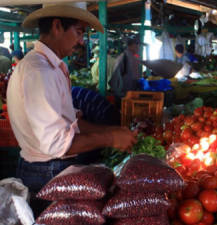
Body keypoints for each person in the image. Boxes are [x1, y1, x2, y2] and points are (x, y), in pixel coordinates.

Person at [6, 2, 138, 216]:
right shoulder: (40, 72)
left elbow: (68, 124)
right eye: (79, 32)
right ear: (57, 26)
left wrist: (109, 132)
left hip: (49, 167)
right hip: (46, 171)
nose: (81, 41)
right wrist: (110, 138)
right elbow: (57, 144)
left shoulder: (53, 67)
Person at [109, 36, 142, 104]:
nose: (139, 47)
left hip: (131, 93)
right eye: (137, 45)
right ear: (131, 45)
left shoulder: (133, 57)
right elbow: (115, 77)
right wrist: (119, 93)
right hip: (123, 94)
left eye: (139, 45)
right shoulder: (123, 58)